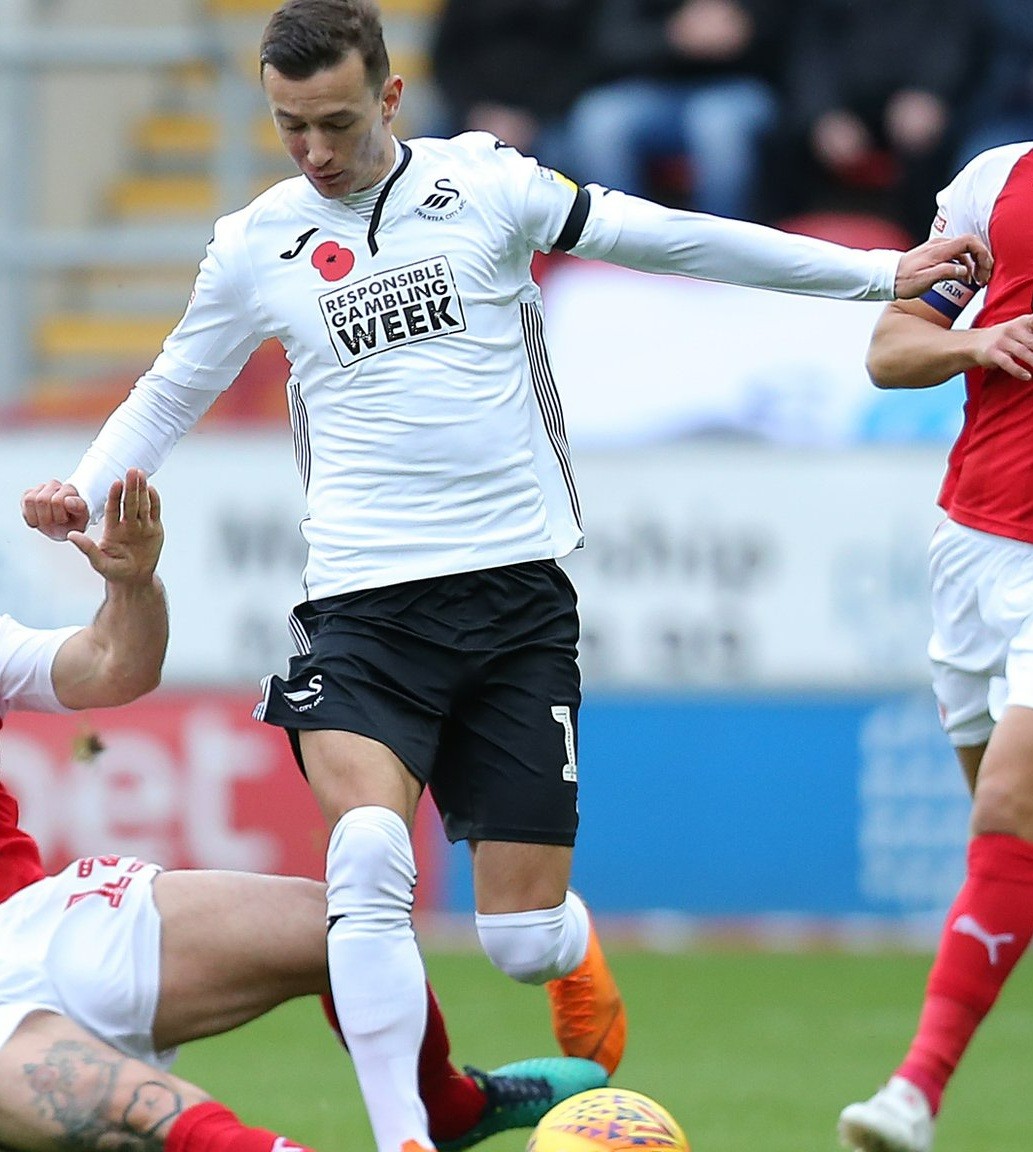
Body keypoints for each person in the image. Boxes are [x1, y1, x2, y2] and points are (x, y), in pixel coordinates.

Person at [20, 2, 992, 1150]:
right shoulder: (256, 245)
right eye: (290, 130)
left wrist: (878, 276)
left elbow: (669, 236)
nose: (315, 154)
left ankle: (565, 948)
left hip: (514, 601)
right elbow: (173, 385)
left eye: (335, 123)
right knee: (368, 858)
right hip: (358, 611)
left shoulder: (486, 186)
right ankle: (406, 1140)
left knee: (516, 937)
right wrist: (89, 482)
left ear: (389, 98)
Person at [1, 467, 608, 1151]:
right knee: (143, 1115)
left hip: (41, 925)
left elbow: (116, 666)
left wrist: (131, 584)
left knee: (346, 929)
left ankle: (446, 1108)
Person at [836, 142, 1033, 1152]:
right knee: (1011, 848)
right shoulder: (991, 185)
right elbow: (890, 348)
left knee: (1010, 805)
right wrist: (977, 345)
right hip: (972, 550)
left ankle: (912, 1093)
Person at [564, 0, 789, 219]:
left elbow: (799, 33)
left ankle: (722, 250)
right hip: (656, 89)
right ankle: (623, 245)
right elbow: (609, 42)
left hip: (741, 86)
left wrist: (744, 29)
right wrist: (673, 35)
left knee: (717, 123)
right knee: (600, 119)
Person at [779, 0, 978, 242]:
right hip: (841, 109)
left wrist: (930, 92)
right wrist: (823, 115)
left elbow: (960, 39)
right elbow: (810, 48)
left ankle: (933, 257)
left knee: (948, 161)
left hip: (930, 107)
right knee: (781, 144)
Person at [429, 0, 596, 176]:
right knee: (428, 158)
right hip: (475, 110)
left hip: (551, 115)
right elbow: (447, 57)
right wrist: (476, 111)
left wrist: (532, 116)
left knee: (566, 157)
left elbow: (584, 60)